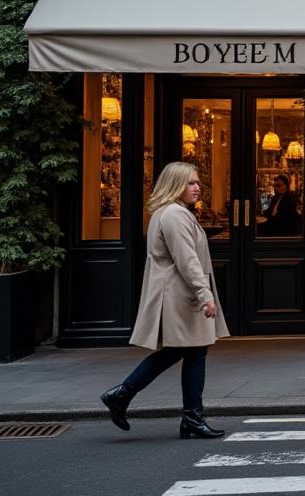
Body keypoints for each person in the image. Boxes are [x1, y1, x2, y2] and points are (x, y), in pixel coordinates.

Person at [99, 162, 229, 438]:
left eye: (197, 182)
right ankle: (128, 396)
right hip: (180, 296)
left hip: (178, 293)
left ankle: (185, 415)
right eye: (191, 183)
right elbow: (187, 260)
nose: (197, 187)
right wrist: (205, 296)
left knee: (190, 351)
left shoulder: (170, 213)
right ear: (175, 185)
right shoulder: (174, 215)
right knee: (190, 351)